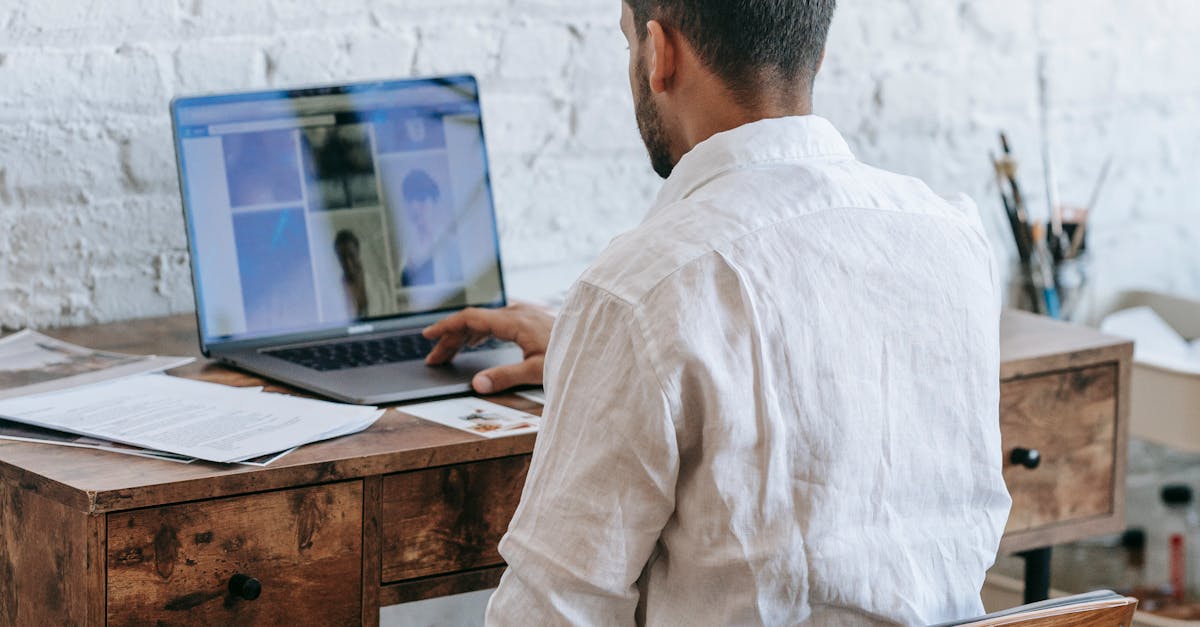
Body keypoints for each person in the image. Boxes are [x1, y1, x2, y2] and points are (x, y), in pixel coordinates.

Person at [423, 0, 1011, 624]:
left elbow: (552, 612)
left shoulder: (641, 288)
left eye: (629, 44)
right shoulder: (953, 238)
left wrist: (616, 338)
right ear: (811, 50)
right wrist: (591, 350)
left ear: (660, 52)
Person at [399, 169, 463, 287]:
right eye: (410, 200)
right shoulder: (406, 247)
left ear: (434, 201)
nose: (415, 208)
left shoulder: (450, 243)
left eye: (421, 200)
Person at [333, 230, 390, 319]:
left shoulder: (380, 287)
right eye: (343, 258)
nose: (348, 263)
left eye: (351, 255)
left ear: (358, 252)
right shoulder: (333, 295)